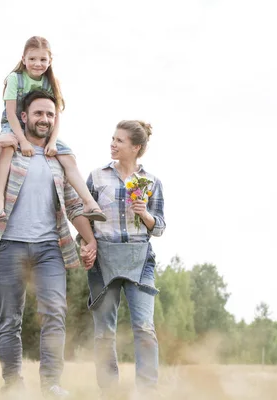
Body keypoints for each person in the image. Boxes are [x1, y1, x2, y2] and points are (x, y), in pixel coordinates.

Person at [0, 89, 97, 398]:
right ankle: (12, 384)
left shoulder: (59, 157)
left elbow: (74, 205)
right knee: (9, 318)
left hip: (50, 248)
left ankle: (51, 384)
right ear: (23, 116)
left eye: (50, 114)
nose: (44, 119)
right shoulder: (8, 150)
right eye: (38, 113)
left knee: (55, 312)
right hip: (7, 245)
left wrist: (89, 241)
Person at [81, 120, 165, 397]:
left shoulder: (151, 182)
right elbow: (82, 217)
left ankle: (147, 393)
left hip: (140, 260)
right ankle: (109, 393)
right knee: (104, 332)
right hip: (103, 259)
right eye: (113, 139)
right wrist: (86, 244)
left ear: (136, 147)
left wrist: (145, 213)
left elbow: (160, 227)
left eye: (120, 141)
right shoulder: (96, 176)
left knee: (144, 328)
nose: (113, 144)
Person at [0, 36, 105, 223]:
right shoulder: (14, 79)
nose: (38, 64)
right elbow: (11, 113)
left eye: (43, 60)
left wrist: (52, 141)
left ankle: (89, 202)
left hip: (41, 126)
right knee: (6, 148)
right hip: (14, 125)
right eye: (33, 59)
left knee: (67, 155)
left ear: (50, 61)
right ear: (24, 59)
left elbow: (57, 115)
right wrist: (22, 140)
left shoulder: (51, 81)